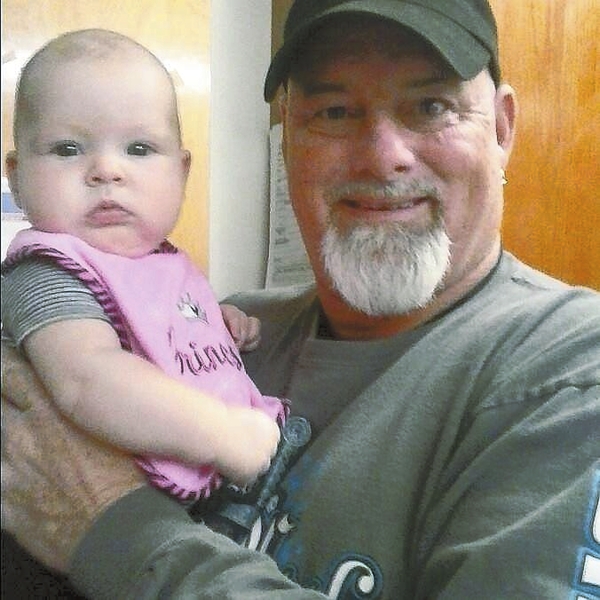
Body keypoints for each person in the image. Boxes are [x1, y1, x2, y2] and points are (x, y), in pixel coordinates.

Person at [2, 1, 600, 598]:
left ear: (501, 129)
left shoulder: (571, 375)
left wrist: (116, 529)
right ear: (287, 141)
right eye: (335, 111)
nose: (383, 155)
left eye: (431, 106)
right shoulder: (229, 332)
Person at [1, 28, 285, 505]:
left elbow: (151, 323)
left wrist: (210, 322)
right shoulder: (47, 274)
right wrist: (222, 433)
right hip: (96, 513)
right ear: (17, 177)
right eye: (67, 149)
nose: (106, 171)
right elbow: (87, 378)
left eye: (138, 149)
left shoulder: (160, 262)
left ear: (182, 171)